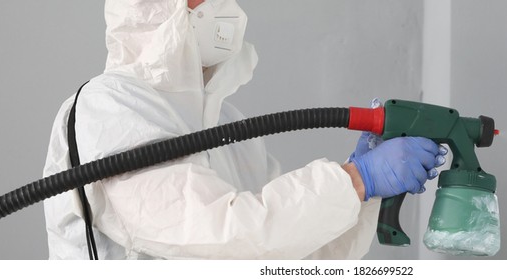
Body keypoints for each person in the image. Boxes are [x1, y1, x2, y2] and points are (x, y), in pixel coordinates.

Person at [42, 0, 445, 259]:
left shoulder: (226, 125)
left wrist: (360, 192)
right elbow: (226, 236)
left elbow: (296, 253)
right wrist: (357, 180)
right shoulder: (109, 107)